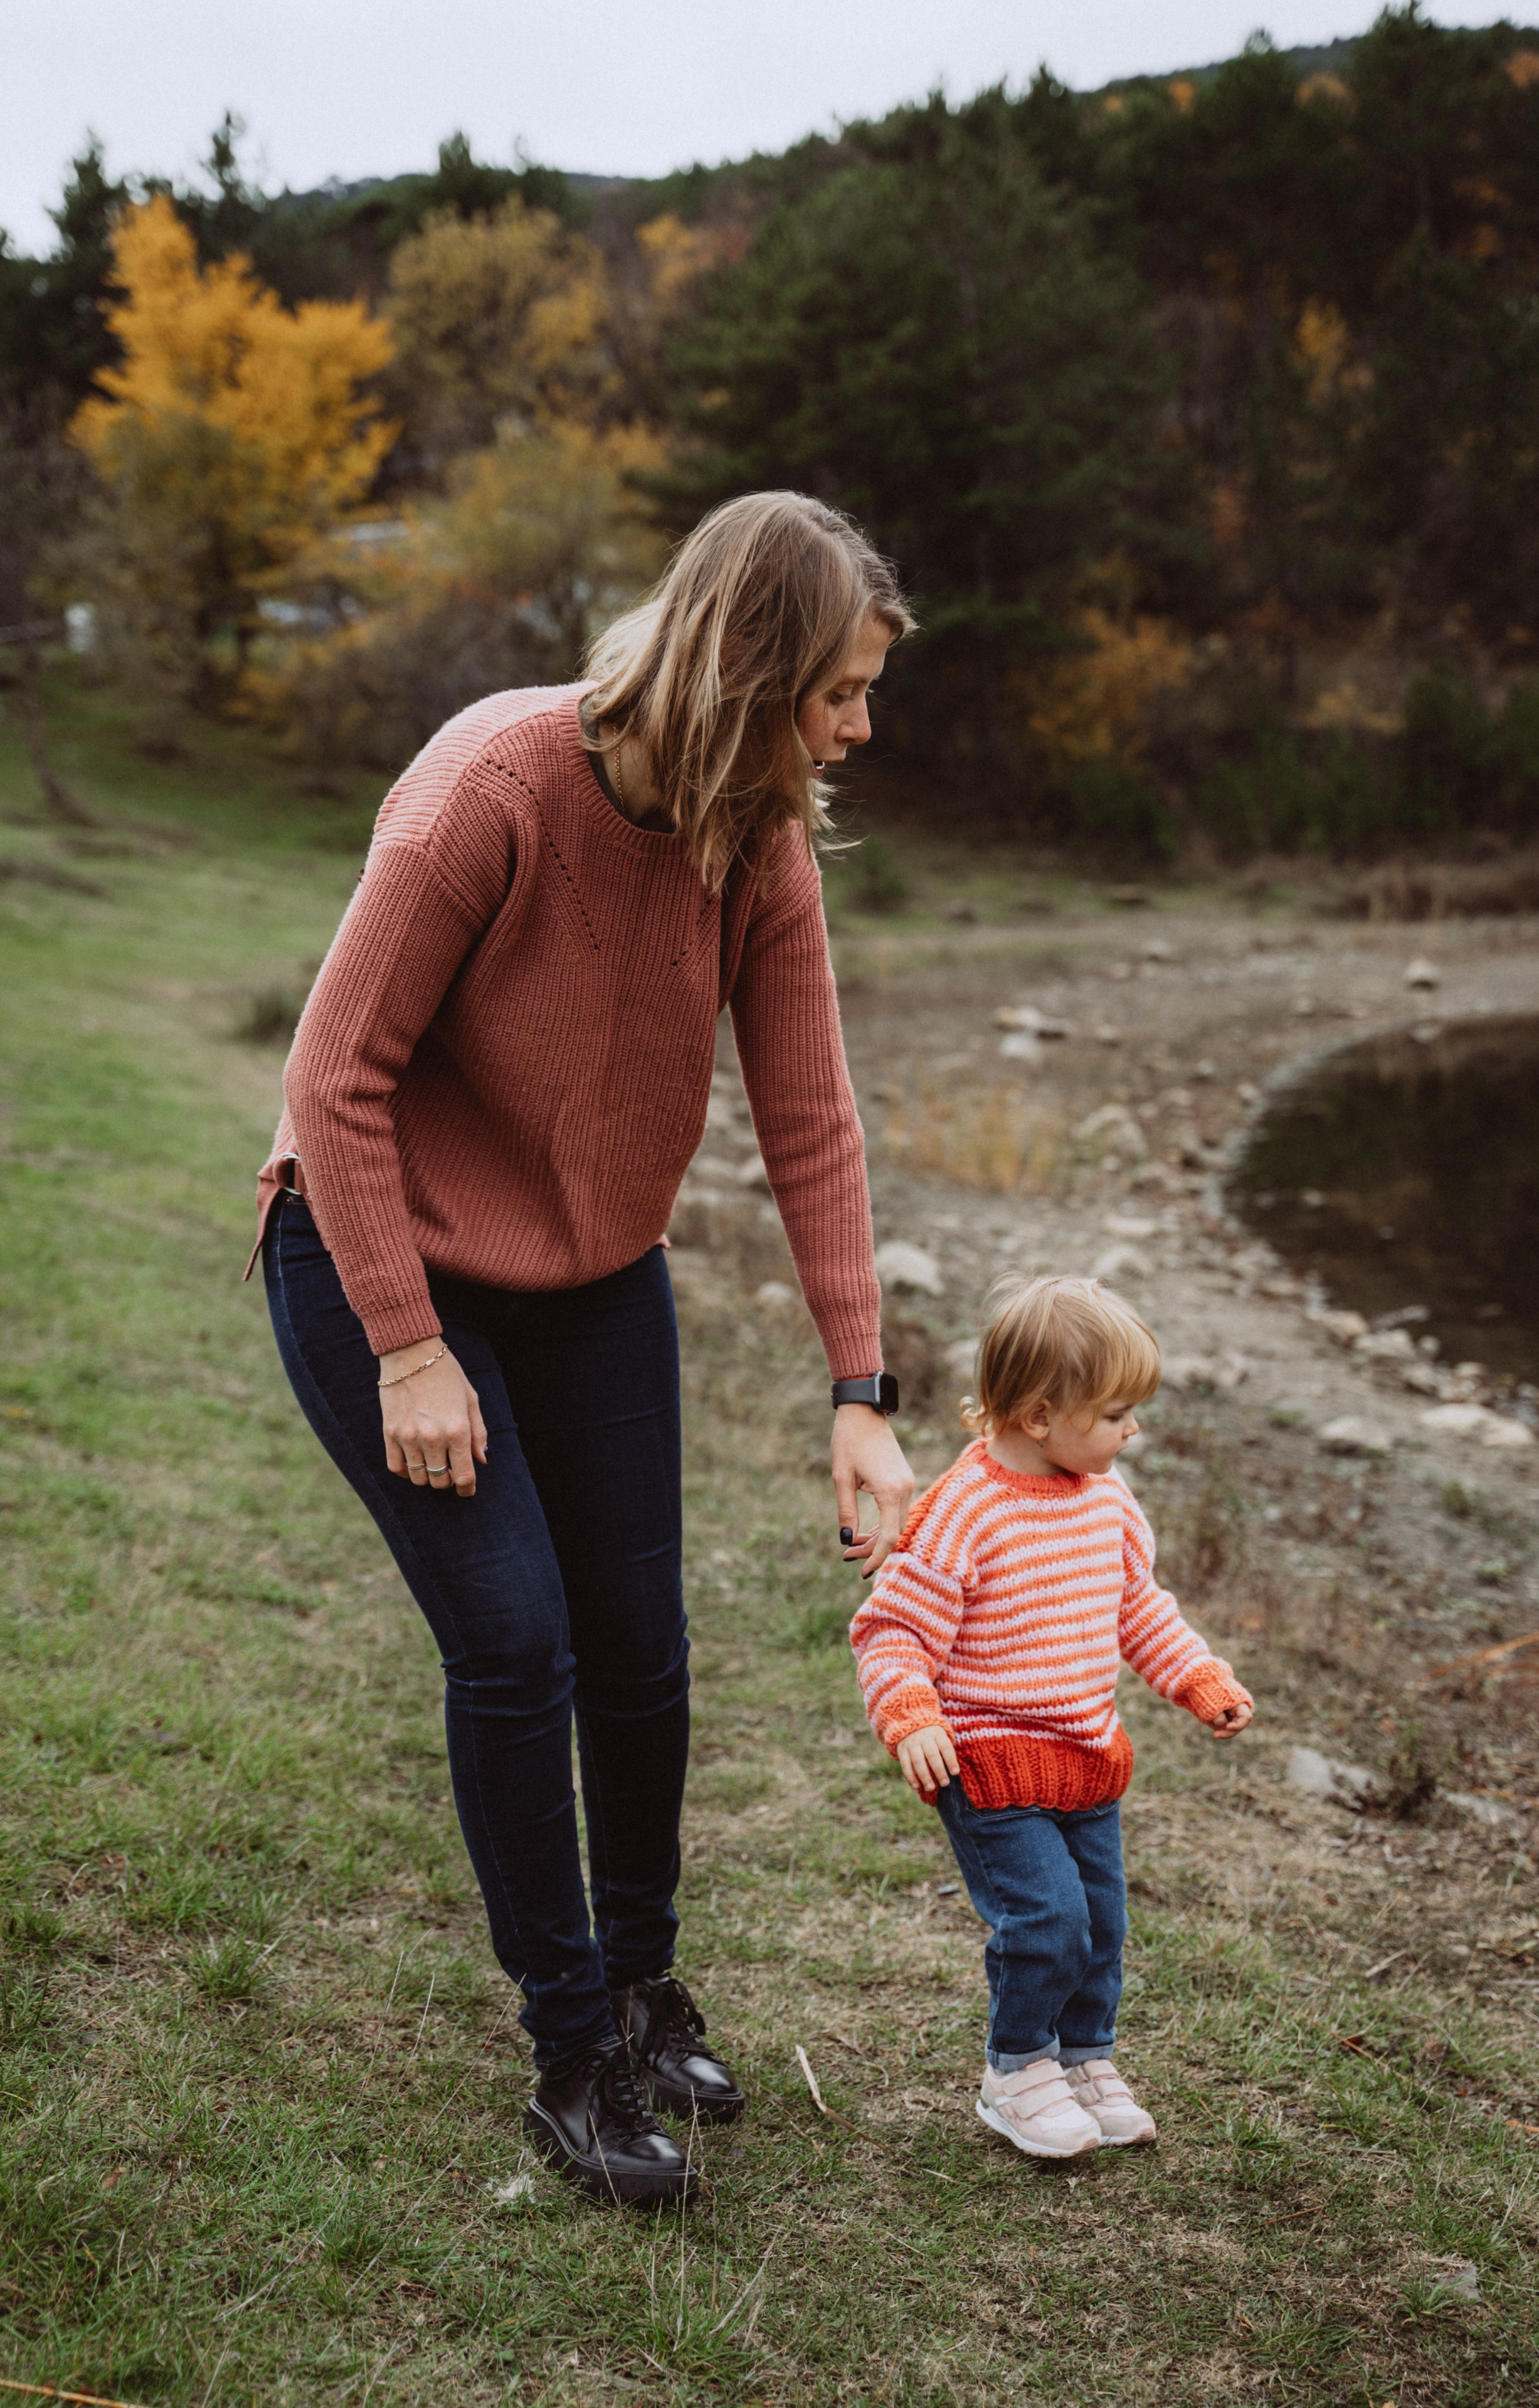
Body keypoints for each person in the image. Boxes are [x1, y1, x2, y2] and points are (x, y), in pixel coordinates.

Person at [250, 492, 917, 2207]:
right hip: (374, 1247)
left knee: (641, 1643)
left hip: (594, 1276)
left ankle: (640, 1980)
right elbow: (334, 1084)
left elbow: (812, 1115)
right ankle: (570, 2053)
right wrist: (407, 1345)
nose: (858, 725)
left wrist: (861, 1385)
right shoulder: (493, 786)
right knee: (519, 1639)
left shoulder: (752, 835)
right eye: (838, 689)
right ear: (748, 670)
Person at [849, 1276, 1254, 2161]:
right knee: (1048, 1923)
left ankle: (1083, 2058)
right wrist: (911, 1711)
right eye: (1115, 1414)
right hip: (992, 1768)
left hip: (1086, 1764)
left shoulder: (1106, 1502)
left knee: (1102, 1924)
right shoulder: (964, 1511)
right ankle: (1018, 2069)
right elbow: (891, 1628)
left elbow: (1137, 1610)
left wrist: (1198, 1678)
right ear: (1039, 1416)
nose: (1131, 1431)